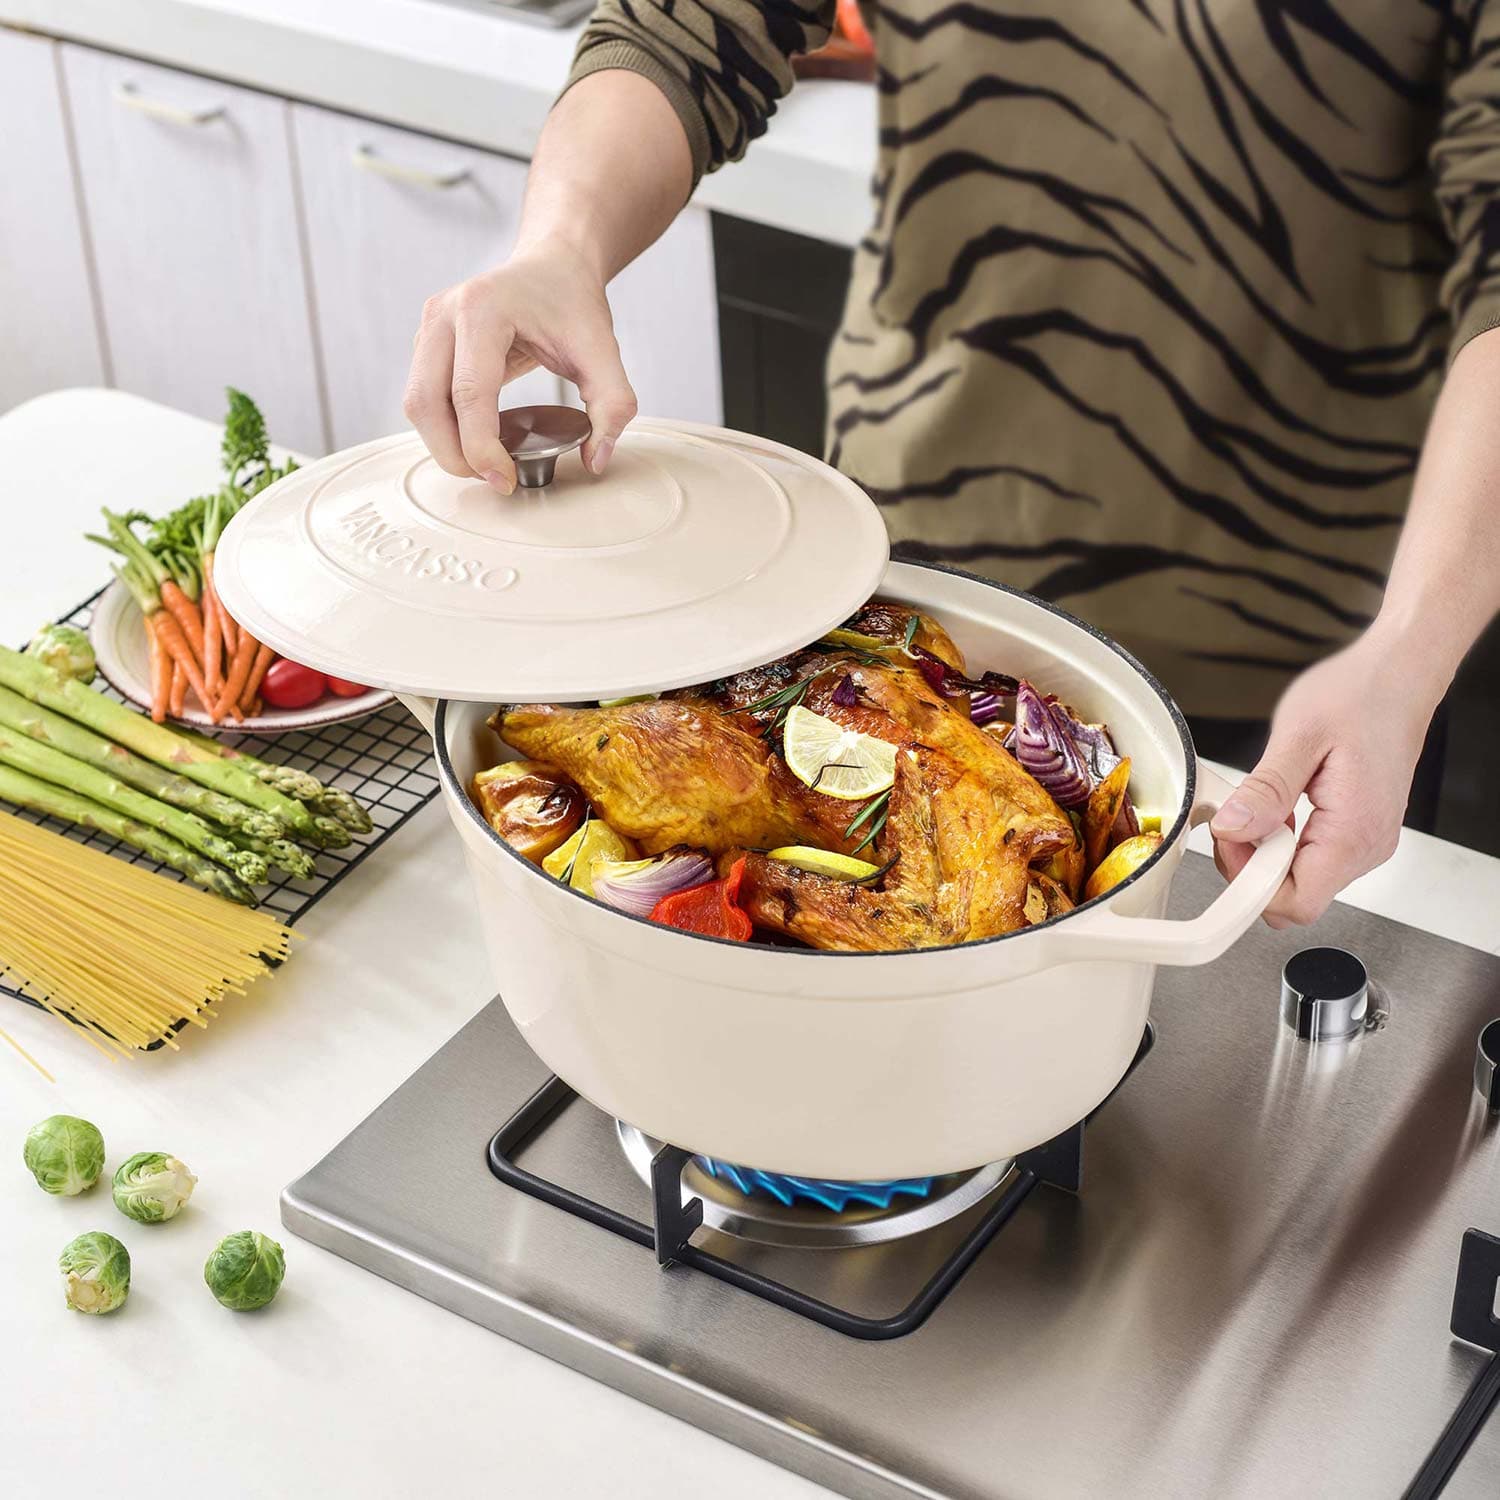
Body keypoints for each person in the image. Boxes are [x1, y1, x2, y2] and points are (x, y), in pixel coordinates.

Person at [403, 2, 1500, 927]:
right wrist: (560, 246)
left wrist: (1405, 659)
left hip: (1320, 662)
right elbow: (686, 26)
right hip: (880, 583)